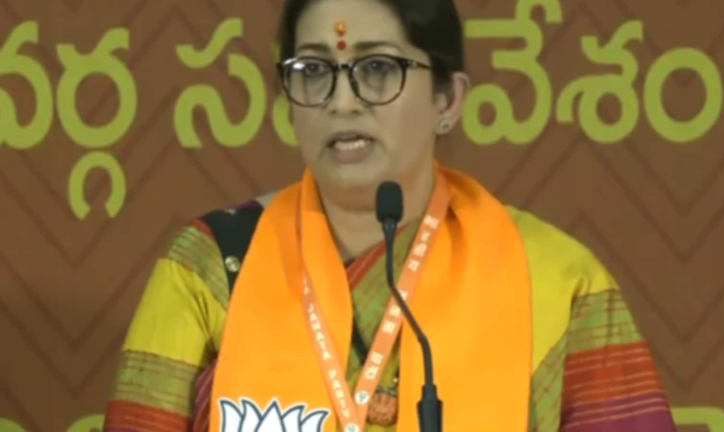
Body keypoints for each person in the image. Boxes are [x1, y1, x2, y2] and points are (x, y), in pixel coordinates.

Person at [102, 0, 679, 430]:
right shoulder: (210, 266)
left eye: (377, 68)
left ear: (447, 100)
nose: (341, 101)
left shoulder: (556, 280)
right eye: (313, 71)